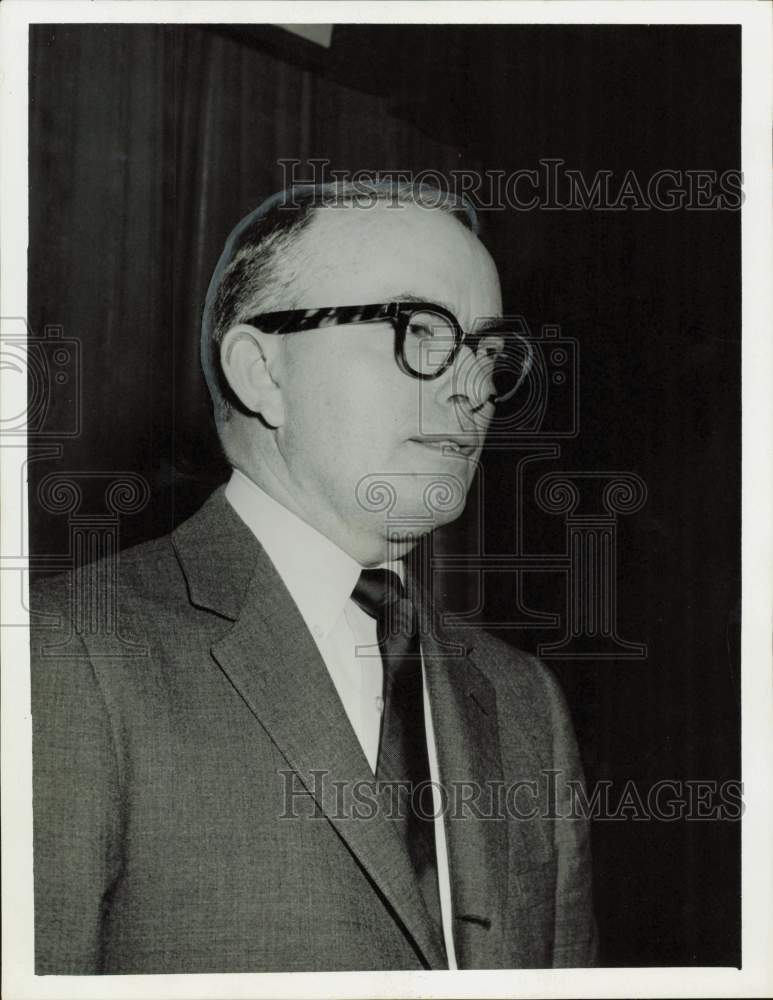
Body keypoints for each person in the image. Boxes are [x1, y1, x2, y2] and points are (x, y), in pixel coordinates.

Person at [30, 182, 597, 973]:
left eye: (488, 353)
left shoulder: (523, 700)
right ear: (262, 373)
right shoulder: (63, 659)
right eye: (419, 331)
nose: (471, 390)